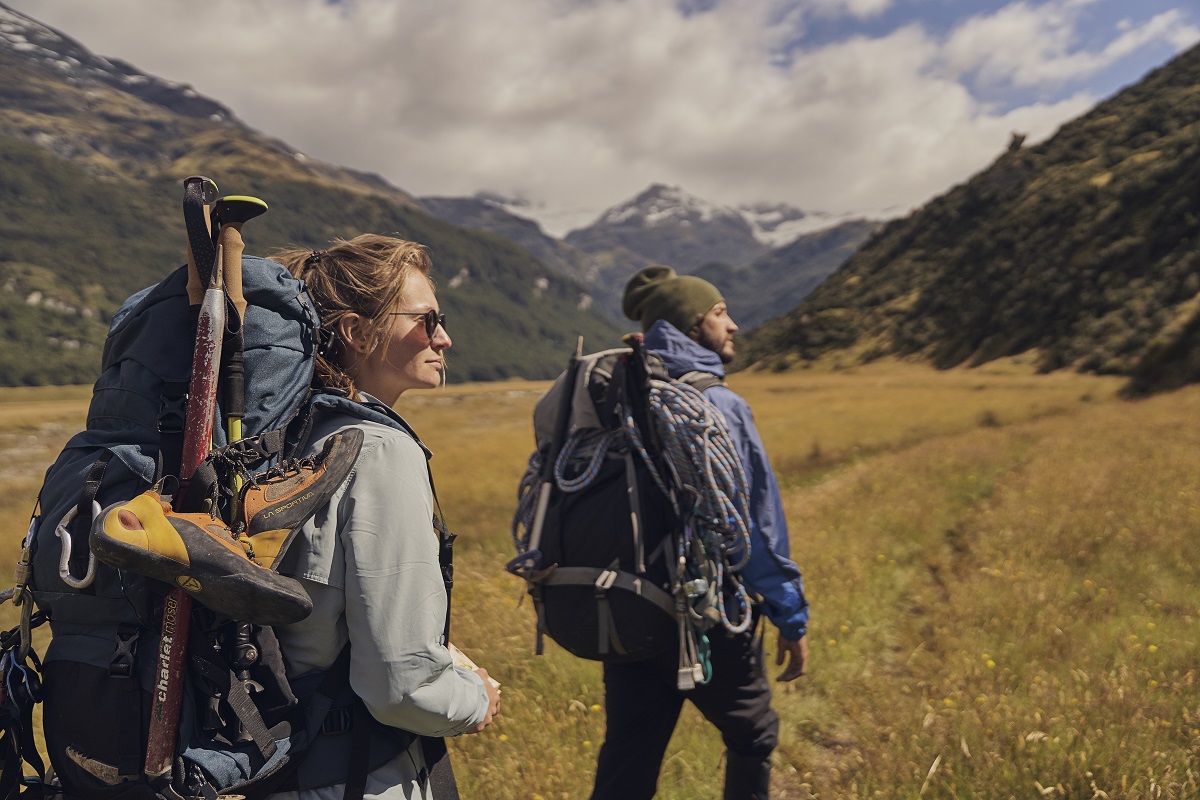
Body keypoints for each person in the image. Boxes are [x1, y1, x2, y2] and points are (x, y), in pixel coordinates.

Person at [269, 234, 500, 800]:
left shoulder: (295, 438)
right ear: (354, 331)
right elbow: (399, 686)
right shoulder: (378, 451)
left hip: (278, 767)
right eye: (426, 320)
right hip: (352, 774)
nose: (444, 337)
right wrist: (475, 698)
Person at [590, 265, 810, 800]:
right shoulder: (720, 405)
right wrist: (790, 614)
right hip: (711, 615)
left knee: (628, 756)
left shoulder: (615, 398)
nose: (732, 325)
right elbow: (754, 529)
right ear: (691, 326)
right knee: (753, 736)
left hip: (627, 610)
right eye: (718, 313)